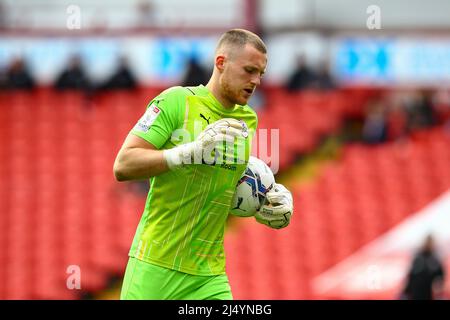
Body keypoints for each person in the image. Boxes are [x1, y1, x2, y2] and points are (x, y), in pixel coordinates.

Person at [113, 29, 294, 300]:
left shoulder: (249, 119)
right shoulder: (176, 101)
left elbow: (224, 187)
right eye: (249, 70)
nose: (256, 81)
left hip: (209, 277)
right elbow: (123, 165)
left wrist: (264, 203)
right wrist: (189, 152)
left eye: (260, 74)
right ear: (221, 63)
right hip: (155, 266)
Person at [401, 234, 445, 300]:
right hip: (416, 292)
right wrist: (406, 291)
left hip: (428, 292)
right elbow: (411, 275)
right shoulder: (418, 257)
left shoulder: (435, 259)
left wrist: (438, 285)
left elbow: (440, 275)